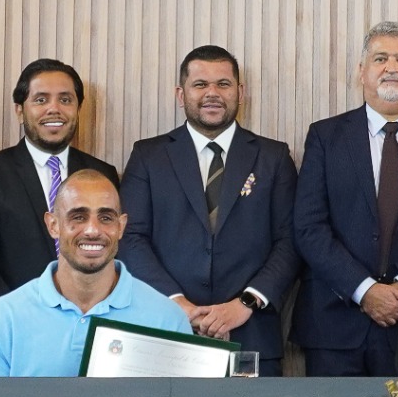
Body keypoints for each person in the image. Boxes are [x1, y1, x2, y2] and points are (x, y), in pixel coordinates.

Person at [292, 23, 398, 376]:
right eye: (380, 58)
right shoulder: (325, 137)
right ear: (362, 71)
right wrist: (365, 289)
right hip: (333, 326)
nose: (391, 67)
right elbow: (309, 227)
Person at [119, 46, 301, 373]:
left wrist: (245, 303)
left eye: (223, 84)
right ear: (181, 93)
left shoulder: (273, 157)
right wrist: (179, 306)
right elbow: (131, 238)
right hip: (165, 331)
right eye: (200, 84)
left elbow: (290, 241)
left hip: (251, 333)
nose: (212, 93)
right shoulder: (148, 156)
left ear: (240, 92)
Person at [0, 169, 192, 374]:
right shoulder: (2, 318)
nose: (93, 230)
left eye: (106, 218)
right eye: (78, 217)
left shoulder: (168, 319)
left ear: (121, 226)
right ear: (53, 225)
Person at [0, 58, 120, 316]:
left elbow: (112, 254)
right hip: (14, 323)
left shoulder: (103, 174)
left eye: (65, 100)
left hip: (90, 318)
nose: (54, 109)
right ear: (20, 110)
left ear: (78, 108)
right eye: (41, 100)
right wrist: (29, 318)